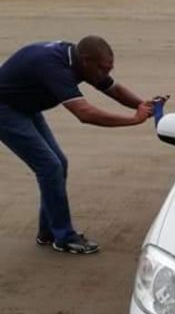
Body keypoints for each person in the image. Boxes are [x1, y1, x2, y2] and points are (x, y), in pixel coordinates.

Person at [0, 36, 155, 255]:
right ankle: (64, 237)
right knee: (49, 166)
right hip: (5, 110)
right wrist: (133, 120)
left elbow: (114, 89)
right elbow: (85, 114)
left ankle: (48, 231)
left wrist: (142, 105)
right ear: (86, 61)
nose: (106, 74)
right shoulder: (55, 67)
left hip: (24, 106)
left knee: (58, 164)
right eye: (103, 69)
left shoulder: (83, 63)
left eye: (109, 69)